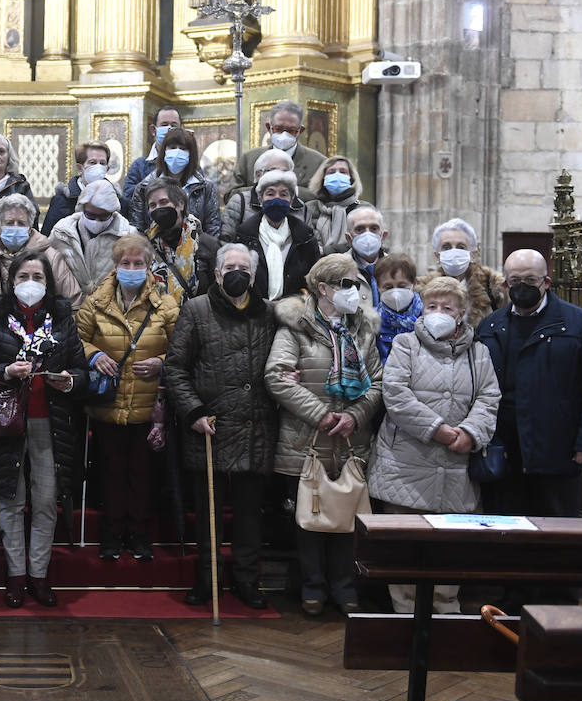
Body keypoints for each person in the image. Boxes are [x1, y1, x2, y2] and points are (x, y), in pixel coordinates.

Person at [475, 249, 582, 608]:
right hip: (505, 449)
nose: (521, 287)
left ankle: (559, 606)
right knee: (510, 529)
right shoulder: (491, 326)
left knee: (559, 533)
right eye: (515, 281)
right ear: (505, 284)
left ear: (546, 282)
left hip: (558, 447)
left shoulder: (578, 323)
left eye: (530, 281)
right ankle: (513, 601)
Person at [368, 277, 500, 614]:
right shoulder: (405, 344)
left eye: (447, 307)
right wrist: (438, 430)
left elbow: (489, 398)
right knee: (404, 547)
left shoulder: (479, 352)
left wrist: (470, 433)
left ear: (462, 314)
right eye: (431, 306)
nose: (438, 313)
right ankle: (405, 614)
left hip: (456, 467)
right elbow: (395, 394)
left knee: (450, 550)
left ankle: (445, 615)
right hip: (405, 465)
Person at [0, 251, 87, 608]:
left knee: (47, 501)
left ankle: (39, 575)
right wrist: (5, 371)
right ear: (12, 281)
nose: (30, 283)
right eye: (23, 276)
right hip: (7, 423)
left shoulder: (63, 319)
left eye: (38, 276)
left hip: (51, 423)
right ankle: (16, 576)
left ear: (48, 283)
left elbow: (82, 372)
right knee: (11, 501)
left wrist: (68, 381)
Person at [265, 253, 383, 615]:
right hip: (306, 438)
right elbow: (277, 375)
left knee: (347, 516)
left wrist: (355, 415)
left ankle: (345, 587)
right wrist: (321, 415)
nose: (355, 292)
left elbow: (377, 382)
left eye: (357, 285)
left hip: (351, 440)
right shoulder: (295, 327)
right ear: (324, 288)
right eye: (348, 284)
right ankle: (312, 586)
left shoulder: (363, 329)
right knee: (311, 517)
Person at [164, 242, 277, 609]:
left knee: (249, 514)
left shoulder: (269, 314)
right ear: (216, 273)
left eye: (243, 267)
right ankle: (207, 580)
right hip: (208, 425)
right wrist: (193, 412)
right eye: (229, 267)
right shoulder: (196, 310)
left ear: (254, 274)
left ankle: (247, 581)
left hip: (254, 424)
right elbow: (176, 367)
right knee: (208, 514)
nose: (236, 273)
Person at [76, 234, 179, 561]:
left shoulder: (166, 304)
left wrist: (162, 362)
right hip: (108, 403)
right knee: (111, 474)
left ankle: (139, 535)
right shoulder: (96, 301)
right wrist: (93, 356)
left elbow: (181, 350)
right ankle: (111, 534)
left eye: (138, 263)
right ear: (116, 266)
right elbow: (75, 341)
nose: (131, 269)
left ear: (149, 266)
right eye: (125, 263)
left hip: (150, 409)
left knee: (142, 475)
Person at [0, 194, 83, 307]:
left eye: (21, 223)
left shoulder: (51, 257)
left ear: (30, 227)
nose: (15, 227)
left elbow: (73, 302)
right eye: (9, 223)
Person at [236, 169, 320, 304]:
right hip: (254, 310)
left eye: (283, 194)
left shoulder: (305, 237)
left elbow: (313, 279)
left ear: (291, 201)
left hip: (294, 311)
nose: (277, 199)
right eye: (270, 193)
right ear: (260, 199)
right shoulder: (245, 234)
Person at [48, 178, 137, 301]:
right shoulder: (62, 233)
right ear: (82, 209)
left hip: (111, 311)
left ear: (113, 212)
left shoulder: (128, 236)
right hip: (69, 311)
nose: (96, 221)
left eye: (103, 216)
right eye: (90, 215)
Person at [130, 127, 222, 238]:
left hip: (197, 250)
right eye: (172, 148)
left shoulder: (205, 188)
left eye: (183, 148)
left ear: (191, 154)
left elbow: (213, 228)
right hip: (153, 250)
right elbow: (137, 230)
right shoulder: (144, 188)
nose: (177, 152)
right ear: (164, 151)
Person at [418, 218, 507, 329]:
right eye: (446, 247)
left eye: (461, 247)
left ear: (472, 254)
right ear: (437, 255)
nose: (454, 251)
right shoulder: (423, 289)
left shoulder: (492, 286)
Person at [144, 179, 216, 306]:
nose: (158, 209)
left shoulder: (207, 245)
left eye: (164, 202)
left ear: (180, 204)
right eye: (153, 205)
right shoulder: (145, 246)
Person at [233, 100, 326, 195]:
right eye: (278, 129)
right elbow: (230, 195)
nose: (284, 134)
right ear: (269, 128)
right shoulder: (248, 159)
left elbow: (324, 198)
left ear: (300, 130)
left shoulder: (319, 163)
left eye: (291, 130)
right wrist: (261, 188)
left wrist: (290, 190)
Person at [41, 141, 129, 235]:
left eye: (102, 163)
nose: (98, 167)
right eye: (92, 162)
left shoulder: (119, 202)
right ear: (80, 168)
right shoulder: (61, 201)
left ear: (107, 169)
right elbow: (48, 238)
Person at [222, 147, 311, 236]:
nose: (279, 176)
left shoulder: (301, 208)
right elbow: (226, 240)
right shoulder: (240, 203)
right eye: (273, 171)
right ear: (258, 174)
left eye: (285, 172)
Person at [307, 156, 373, 255]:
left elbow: (365, 243)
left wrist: (325, 251)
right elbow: (307, 241)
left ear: (351, 178)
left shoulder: (363, 209)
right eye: (331, 172)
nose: (337, 175)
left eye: (343, 172)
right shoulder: (310, 208)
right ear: (323, 177)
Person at [123, 105, 181, 202]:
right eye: (164, 124)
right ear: (153, 130)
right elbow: (128, 199)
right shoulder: (139, 166)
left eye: (174, 125)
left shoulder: (191, 165)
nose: (169, 129)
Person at [334, 206, 388, 307]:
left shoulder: (397, 267)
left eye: (374, 228)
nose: (367, 234)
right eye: (359, 229)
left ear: (383, 236)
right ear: (348, 238)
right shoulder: (337, 269)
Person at [375, 253, 423, 365]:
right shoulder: (374, 322)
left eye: (402, 286)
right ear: (378, 287)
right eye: (388, 287)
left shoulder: (426, 315)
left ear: (414, 284)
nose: (395, 293)